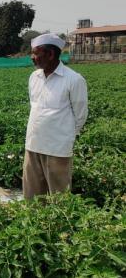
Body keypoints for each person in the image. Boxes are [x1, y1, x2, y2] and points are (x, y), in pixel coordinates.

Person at [23, 33, 88, 200]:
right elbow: (34, 107)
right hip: (33, 144)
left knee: (59, 199)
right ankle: (34, 225)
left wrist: (64, 137)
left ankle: (58, 226)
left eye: (37, 53)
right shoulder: (34, 77)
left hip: (57, 150)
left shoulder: (73, 80)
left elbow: (80, 116)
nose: (33, 57)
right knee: (32, 197)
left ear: (51, 54)